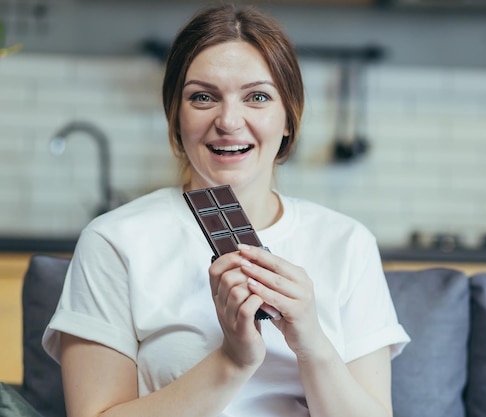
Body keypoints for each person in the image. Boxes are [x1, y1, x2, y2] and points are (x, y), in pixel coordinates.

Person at [42, 4, 409, 417]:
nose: (229, 121)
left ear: (288, 118)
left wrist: (311, 341)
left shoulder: (348, 243)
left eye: (257, 97)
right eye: (203, 97)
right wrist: (232, 360)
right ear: (176, 118)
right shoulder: (114, 241)